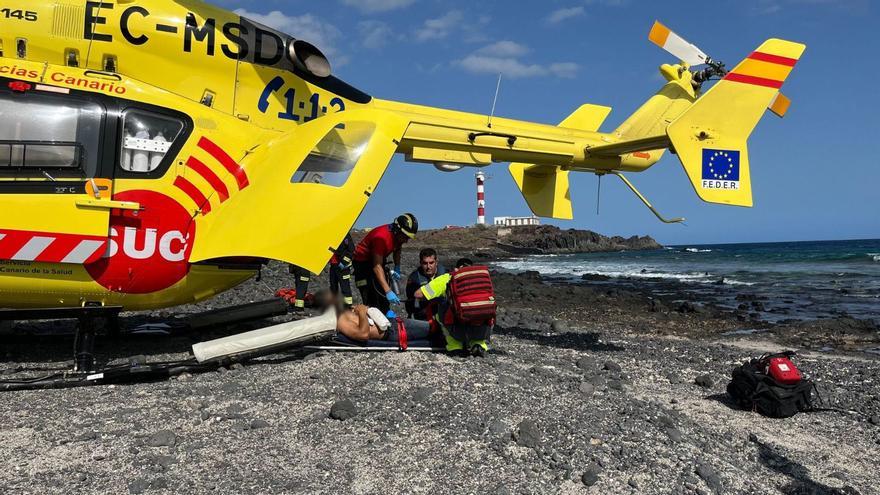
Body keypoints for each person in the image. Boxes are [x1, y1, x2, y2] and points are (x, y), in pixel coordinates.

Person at [414, 258, 494, 357]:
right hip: (481, 329)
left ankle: (455, 347)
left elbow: (418, 294)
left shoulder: (447, 278)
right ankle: (479, 344)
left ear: (456, 269)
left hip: (457, 329)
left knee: (441, 312)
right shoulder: (481, 279)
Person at [352, 213, 418, 315]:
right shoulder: (381, 238)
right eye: (405, 237)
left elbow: (397, 248)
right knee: (372, 298)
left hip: (377, 260)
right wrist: (388, 291)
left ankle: (386, 315)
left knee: (382, 296)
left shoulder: (398, 236)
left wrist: (397, 267)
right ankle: (372, 322)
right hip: (362, 265)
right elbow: (377, 267)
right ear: (397, 230)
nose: (406, 241)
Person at [314, 290, 432, 344]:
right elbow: (363, 335)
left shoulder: (344, 312)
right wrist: (361, 312)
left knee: (433, 327)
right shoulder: (339, 320)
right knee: (432, 328)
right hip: (394, 332)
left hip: (393, 323)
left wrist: (359, 310)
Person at [405, 248, 446, 321]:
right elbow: (412, 298)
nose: (428, 266)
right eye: (425, 263)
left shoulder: (445, 274)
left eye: (431, 263)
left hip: (443, 312)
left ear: (436, 262)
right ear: (420, 263)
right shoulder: (414, 279)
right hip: (423, 314)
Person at [329, 233, 355, 308]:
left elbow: (351, 250)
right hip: (333, 266)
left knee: (345, 287)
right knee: (333, 287)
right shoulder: (331, 235)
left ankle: (348, 306)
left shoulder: (345, 235)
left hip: (343, 267)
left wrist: (344, 262)